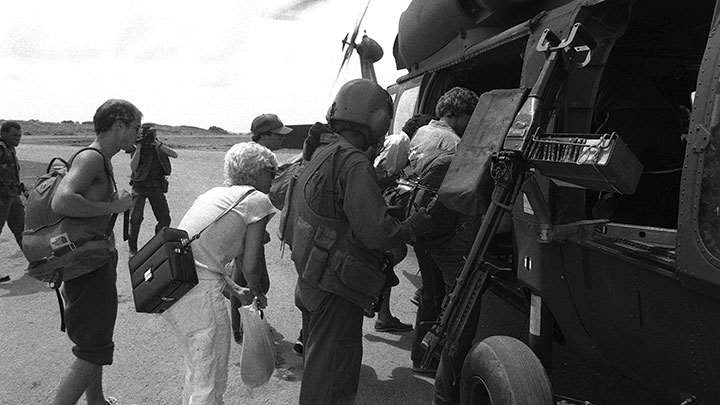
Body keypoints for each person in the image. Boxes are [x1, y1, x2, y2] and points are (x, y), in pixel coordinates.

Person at [283, 78, 431, 404]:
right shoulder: (353, 162)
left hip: (311, 279)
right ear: (376, 119)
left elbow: (332, 209)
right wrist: (410, 225)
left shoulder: (323, 152)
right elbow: (378, 234)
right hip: (334, 288)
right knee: (334, 376)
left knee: (320, 365)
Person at [162, 142, 277, 404]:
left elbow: (205, 253)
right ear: (256, 171)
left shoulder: (215, 194)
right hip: (200, 295)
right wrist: (258, 296)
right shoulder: (256, 200)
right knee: (210, 378)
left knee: (198, 370)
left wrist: (235, 289)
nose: (274, 176)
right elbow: (252, 264)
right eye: (271, 170)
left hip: (176, 287)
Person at [51, 99, 139, 405]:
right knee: (92, 349)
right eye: (135, 127)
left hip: (93, 260)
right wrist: (113, 206)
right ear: (119, 125)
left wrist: (110, 201)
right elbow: (62, 201)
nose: (137, 134)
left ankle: (97, 401)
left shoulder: (102, 158)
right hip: (87, 267)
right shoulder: (91, 158)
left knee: (96, 340)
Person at [407, 87, 481, 375]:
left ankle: (422, 355)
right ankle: (439, 363)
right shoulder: (452, 144)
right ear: (455, 114)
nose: (471, 122)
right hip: (443, 229)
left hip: (423, 224)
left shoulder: (422, 132)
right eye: (468, 116)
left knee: (430, 293)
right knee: (449, 297)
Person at [373, 113, 435, 332]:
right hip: (381, 207)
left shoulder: (398, 141)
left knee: (391, 256)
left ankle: (383, 313)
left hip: (380, 205)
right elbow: (380, 173)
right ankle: (378, 309)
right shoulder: (401, 142)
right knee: (390, 255)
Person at [127, 124, 178, 256]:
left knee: (164, 219)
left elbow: (175, 154)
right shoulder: (137, 146)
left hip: (156, 186)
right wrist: (138, 147)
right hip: (140, 186)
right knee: (135, 219)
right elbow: (133, 167)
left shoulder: (159, 146)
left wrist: (158, 145)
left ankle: (158, 245)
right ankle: (133, 249)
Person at [0, 121, 26, 282]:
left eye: (20, 135)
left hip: (13, 196)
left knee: (22, 229)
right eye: (14, 135)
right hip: (1, 198)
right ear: (3, 133)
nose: (18, 138)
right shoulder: (1, 148)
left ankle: (36, 261)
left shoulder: (10, 148)